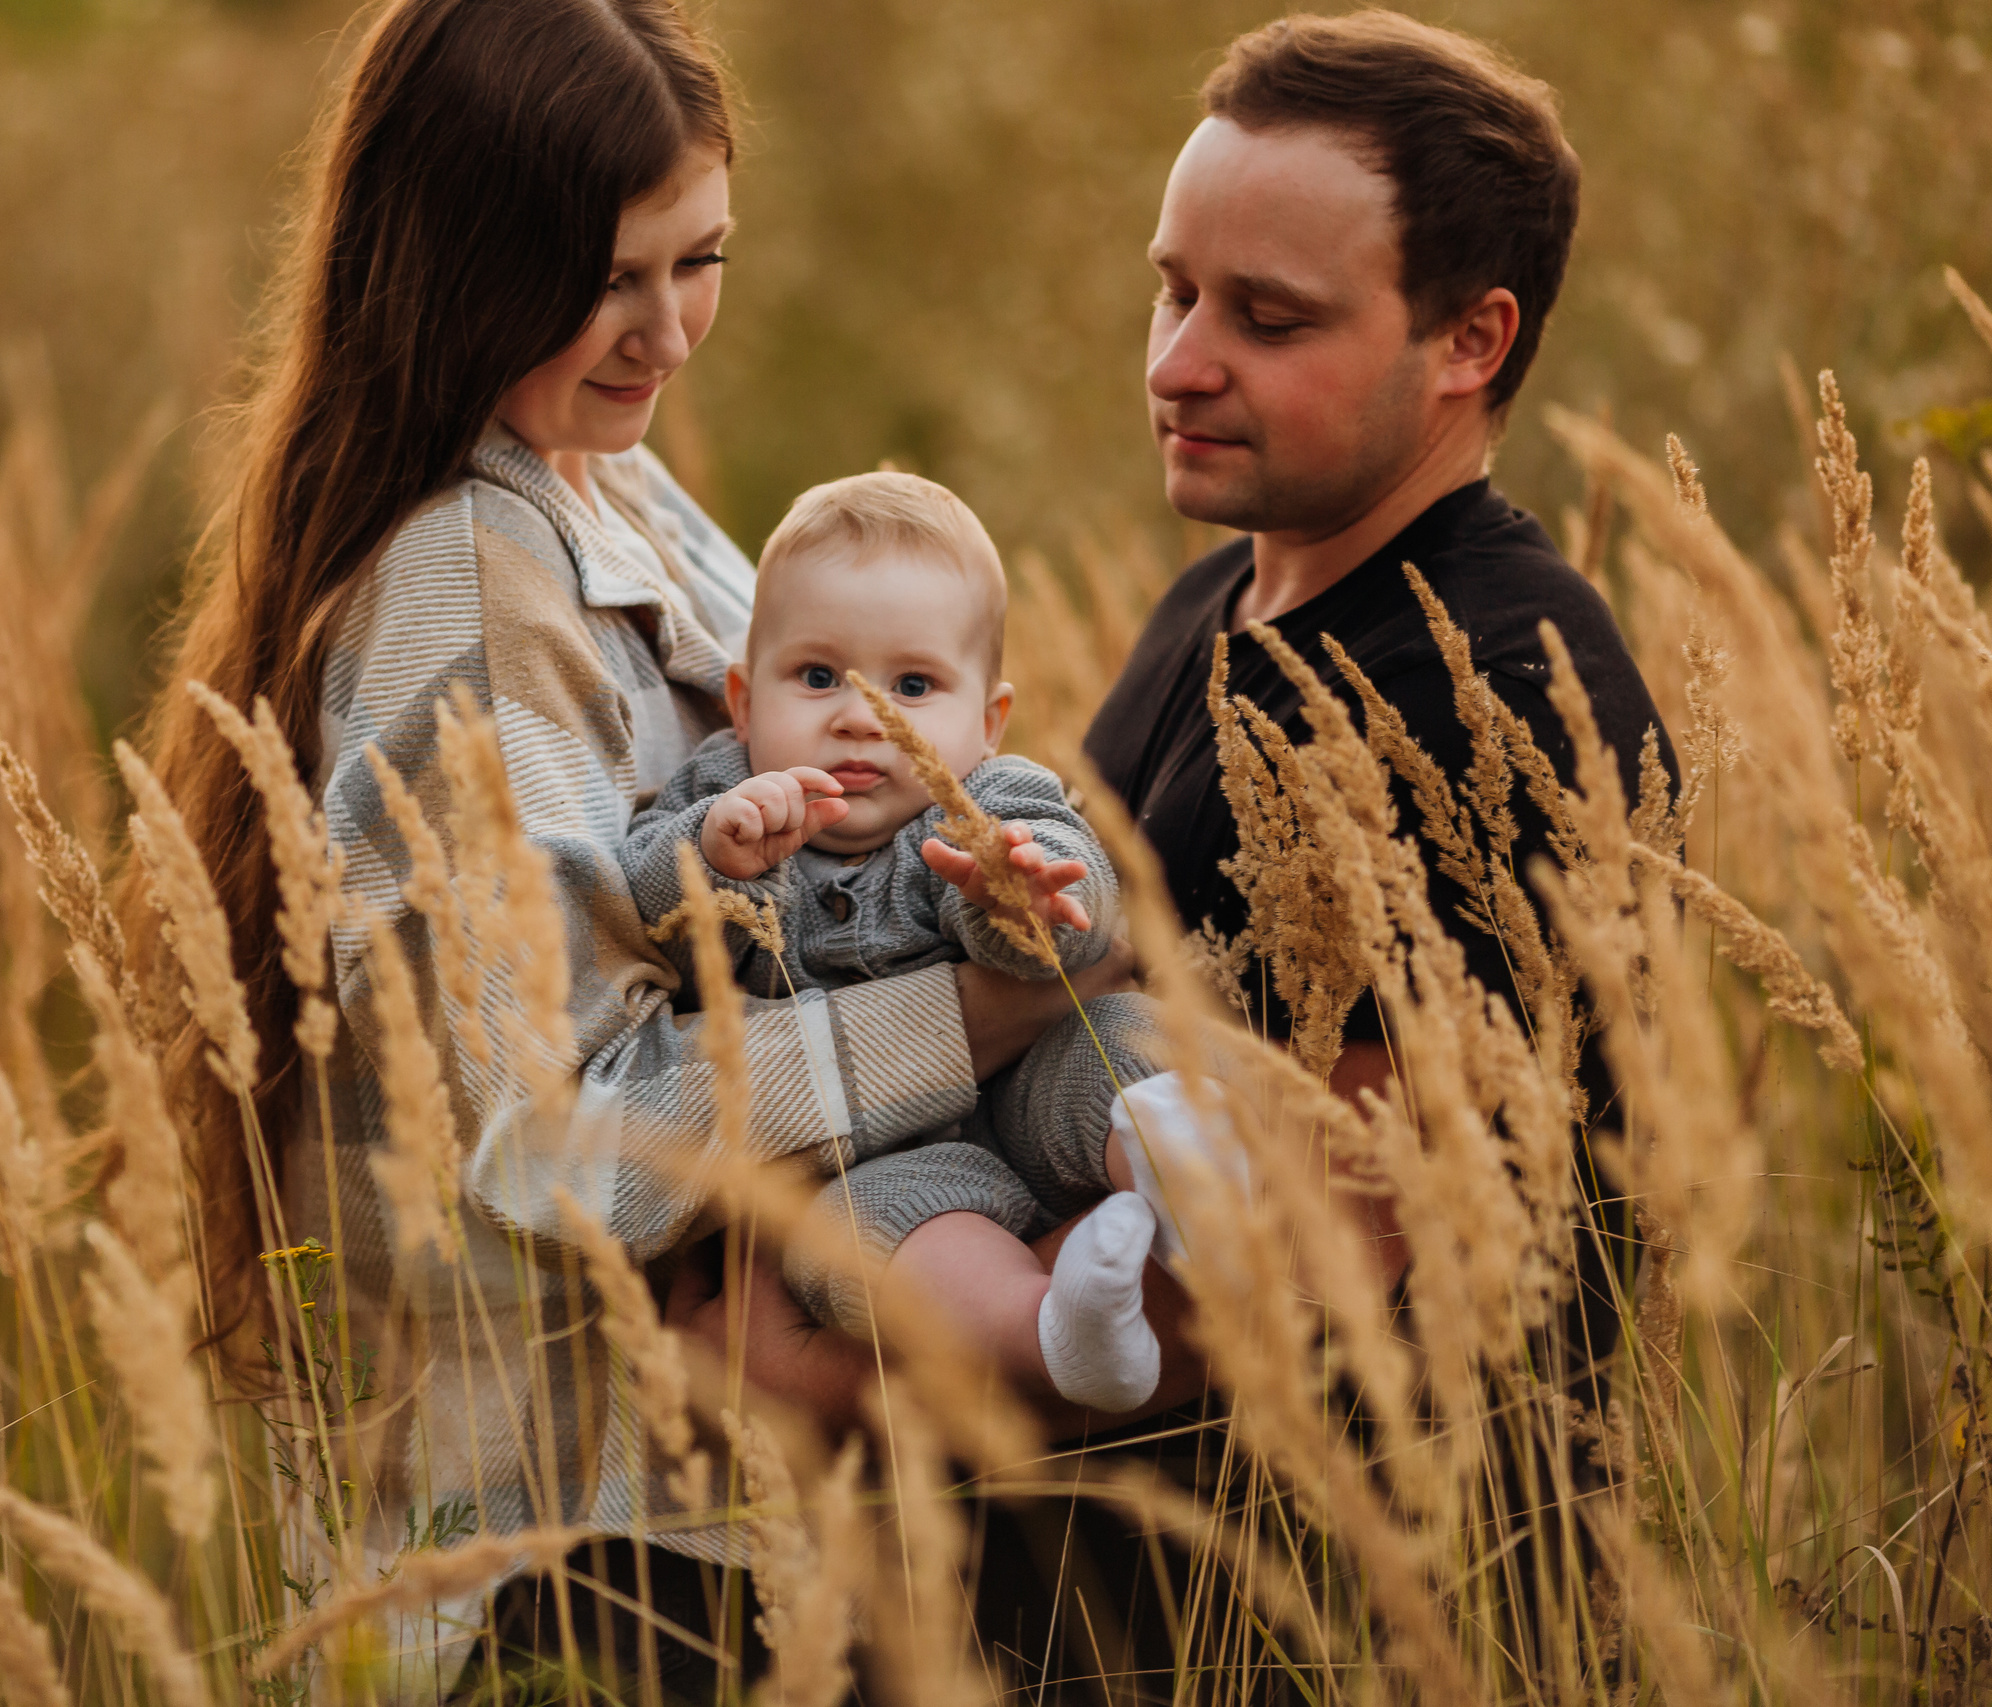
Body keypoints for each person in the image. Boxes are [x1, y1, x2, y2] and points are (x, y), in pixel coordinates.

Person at [124, 2, 1131, 1700]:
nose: (667, 332)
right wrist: (965, 1027)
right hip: (575, 1556)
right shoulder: (472, 585)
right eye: (609, 279)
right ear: (458, 264)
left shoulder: (617, 490)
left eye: (701, 258)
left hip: (711, 1523)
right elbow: (541, 1131)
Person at [976, 13, 1673, 1702]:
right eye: (1174, 289)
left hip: (1337, 1632)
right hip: (1094, 1615)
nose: (1175, 360)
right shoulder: (1222, 600)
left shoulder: (1508, 686)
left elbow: (1306, 1258)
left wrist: (829, 1328)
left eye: (1266, 318)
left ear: (1469, 340)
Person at [619, 470, 1234, 1413]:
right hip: (872, 1162)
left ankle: (1197, 1179)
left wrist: (1019, 895)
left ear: (987, 723)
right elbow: (642, 890)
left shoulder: (987, 798)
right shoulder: (723, 796)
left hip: (1029, 1092)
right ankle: (1058, 1331)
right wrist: (711, 852)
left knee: (1121, 1036)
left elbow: (1079, 904)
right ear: (742, 703)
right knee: (874, 1243)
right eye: (817, 676)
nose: (861, 716)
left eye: (911, 685)